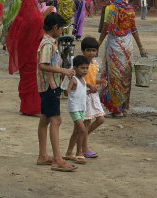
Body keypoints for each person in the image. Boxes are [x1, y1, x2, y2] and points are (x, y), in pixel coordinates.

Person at [97, 0, 147, 117]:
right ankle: (124, 107)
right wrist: (141, 47)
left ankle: (116, 109)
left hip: (115, 45)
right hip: (127, 45)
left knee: (114, 77)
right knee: (125, 75)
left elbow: (106, 28)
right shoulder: (130, 9)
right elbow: (134, 29)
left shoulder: (112, 9)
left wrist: (97, 45)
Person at [36, 12, 76, 171]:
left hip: (47, 86)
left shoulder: (49, 43)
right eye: (61, 28)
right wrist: (63, 71)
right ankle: (58, 160)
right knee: (56, 120)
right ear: (55, 27)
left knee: (45, 119)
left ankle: (43, 155)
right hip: (49, 86)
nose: (62, 31)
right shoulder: (47, 44)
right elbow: (43, 65)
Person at [6, 0, 44, 115]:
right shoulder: (39, 19)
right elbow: (41, 36)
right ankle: (34, 108)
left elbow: (13, 38)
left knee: (25, 80)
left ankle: (25, 107)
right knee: (34, 81)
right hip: (35, 55)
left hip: (23, 55)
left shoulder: (19, 19)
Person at [79, 37, 106, 159]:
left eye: (93, 50)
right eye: (88, 50)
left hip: (93, 94)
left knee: (100, 119)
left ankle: (81, 139)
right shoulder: (81, 64)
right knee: (87, 122)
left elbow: (92, 78)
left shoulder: (95, 64)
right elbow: (80, 79)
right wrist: (90, 85)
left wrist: (99, 81)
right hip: (85, 94)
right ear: (83, 51)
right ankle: (84, 147)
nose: (91, 53)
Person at [62, 55, 91, 165]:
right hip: (74, 108)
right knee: (82, 130)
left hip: (81, 108)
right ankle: (79, 152)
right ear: (75, 68)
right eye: (82, 68)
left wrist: (90, 91)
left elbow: (80, 93)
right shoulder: (74, 80)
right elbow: (66, 91)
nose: (85, 70)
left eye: (86, 68)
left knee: (76, 131)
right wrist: (66, 88)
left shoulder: (83, 80)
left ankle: (69, 152)